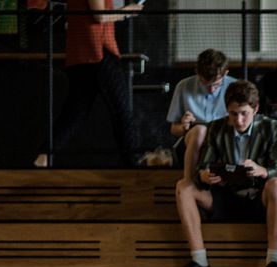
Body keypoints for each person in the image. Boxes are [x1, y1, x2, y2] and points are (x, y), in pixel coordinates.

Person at [172, 80, 277, 267]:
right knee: (184, 186)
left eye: (244, 113)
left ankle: (273, 261)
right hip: (224, 195)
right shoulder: (216, 127)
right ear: (227, 110)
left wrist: (262, 171)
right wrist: (204, 175)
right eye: (233, 114)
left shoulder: (271, 127)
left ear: (255, 109)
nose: (239, 120)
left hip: (258, 197)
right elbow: (202, 166)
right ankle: (199, 261)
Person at [34, 0, 144, 168]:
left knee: (75, 113)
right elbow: (100, 16)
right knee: (122, 111)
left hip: (82, 53)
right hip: (98, 52)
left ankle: (42, 158)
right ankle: (135, 165)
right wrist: (127, 11)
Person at [166, 49, 237, 181]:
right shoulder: (183, 86)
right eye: (205, 83)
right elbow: (174, 129)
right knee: (200, 130)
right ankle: (189, 181)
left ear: (226, 73)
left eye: (216, 84)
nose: (211, 89)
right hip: (194, 139)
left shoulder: (235, 87)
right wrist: (184, 126)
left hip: (224, 139)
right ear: (197, 72)